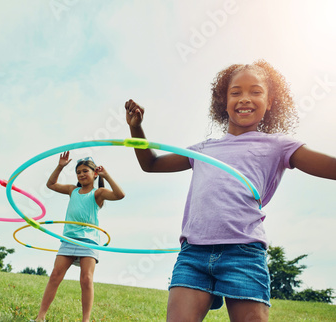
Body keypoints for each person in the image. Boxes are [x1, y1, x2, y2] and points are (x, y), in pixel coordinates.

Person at [125, 59, 336, 321]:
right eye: (236, 92)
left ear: (270, 102)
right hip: (194, 253)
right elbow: (151, 164)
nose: (245, 99)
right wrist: (136, 127)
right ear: (223, 102)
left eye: (256, 92)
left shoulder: (278, 146)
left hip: (243, 253)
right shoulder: (203, 150)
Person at [35, 152, 125, 322]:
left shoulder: (99, 193)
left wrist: (107, 175)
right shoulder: (72, 190)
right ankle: (40, 317)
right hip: (69, 239)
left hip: (89, 241)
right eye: (78, 172)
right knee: (55, 275)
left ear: (94, 174)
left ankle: (85, 320)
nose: (82, 174)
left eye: (85, 171)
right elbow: (51, 184)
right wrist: (60, 166)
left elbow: (120, 195)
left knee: (86, 279)